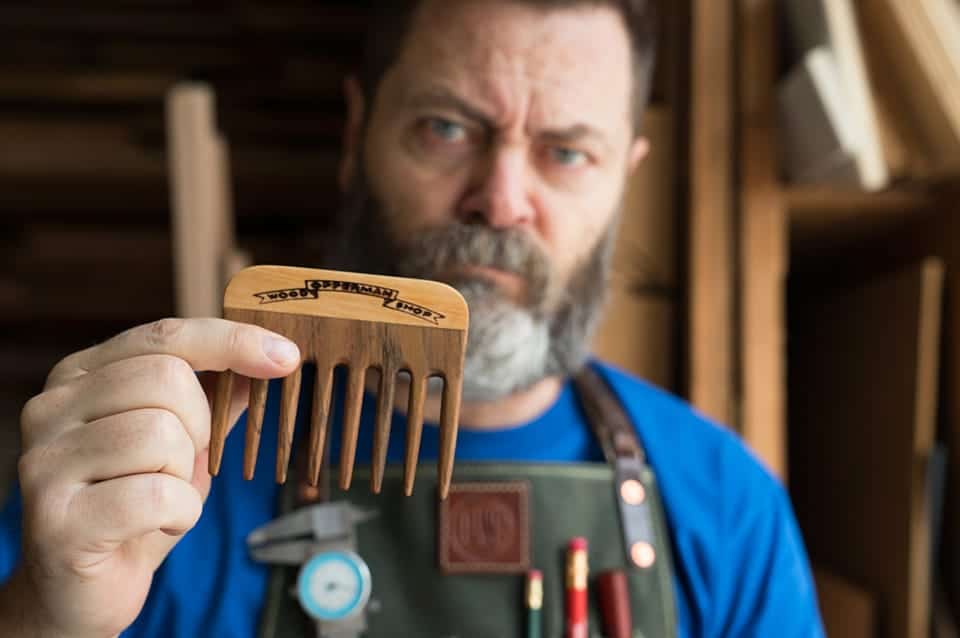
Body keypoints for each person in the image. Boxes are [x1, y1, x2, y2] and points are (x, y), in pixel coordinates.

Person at [0, 0, 825, 636]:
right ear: (358, 133)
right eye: (447, 127)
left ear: (623, 179)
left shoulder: (727, 505)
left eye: (566, 151)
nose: (501, 202)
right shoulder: (158, 470)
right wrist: (42, 618)